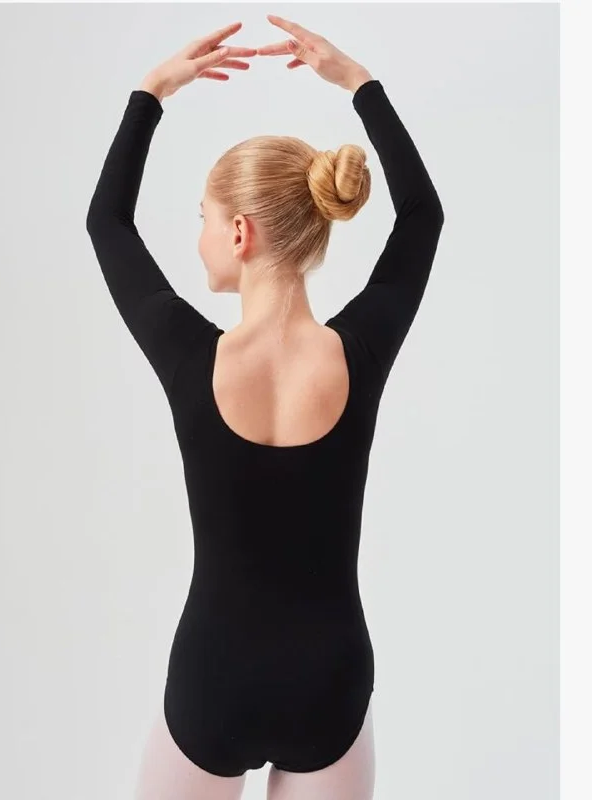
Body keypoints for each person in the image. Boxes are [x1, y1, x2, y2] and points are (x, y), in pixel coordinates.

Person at [86, 15, 444, 800]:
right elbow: (422, 216)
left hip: (213, 679)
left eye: (204, 220)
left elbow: (106, 222)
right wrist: (358, 84)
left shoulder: (187, 354)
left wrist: (151, 93)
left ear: (240, 232)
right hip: (330, 682)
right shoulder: (359, 351)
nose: (200, 238)